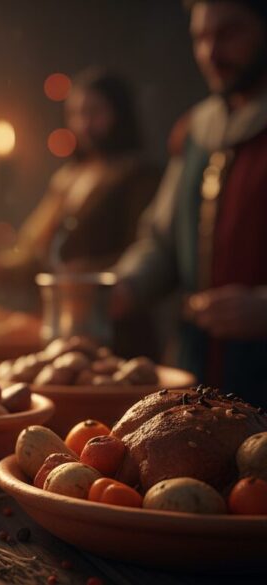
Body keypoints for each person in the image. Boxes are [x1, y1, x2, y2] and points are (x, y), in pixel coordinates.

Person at [114, 0, 267, 405]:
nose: (211, 53)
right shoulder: (199, 130)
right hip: (197, 376)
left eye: (229, 33)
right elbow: (162, 242)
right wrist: (123, 286)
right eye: (201, 37)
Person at [0, 69, 162, 357]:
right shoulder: (68, 177)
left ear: (119, 113)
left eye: (94, 112)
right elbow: (36, 246)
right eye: (76, 114)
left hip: (115, 325)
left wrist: (88, 274)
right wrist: (2, 266)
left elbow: (148, 249)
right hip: (61, 321)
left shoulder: (139, 176)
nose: (84, 124)